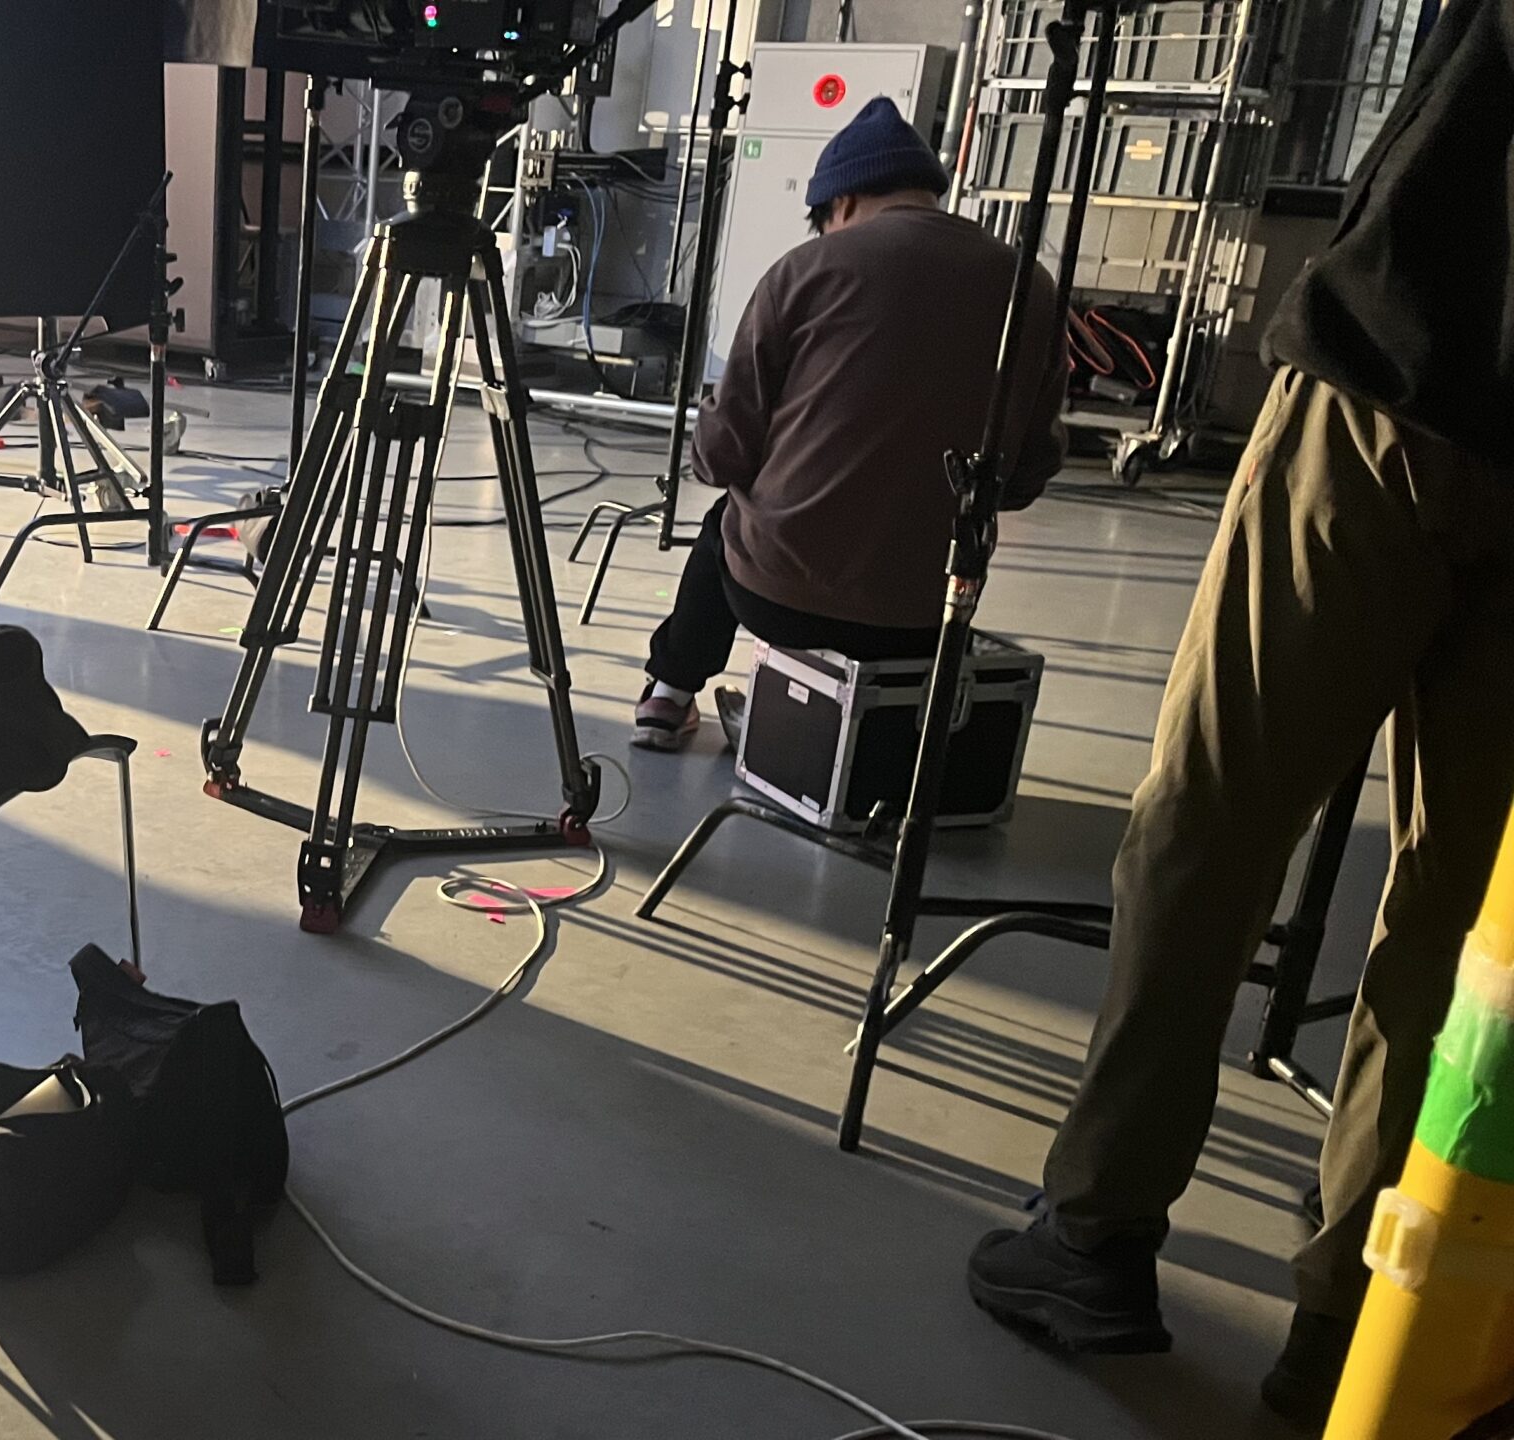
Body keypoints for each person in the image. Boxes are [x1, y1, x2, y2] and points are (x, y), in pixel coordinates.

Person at [963, 0, 1514, 1427]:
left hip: (1398, 371)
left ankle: (1095, 1232)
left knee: (1208, 826)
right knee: (1465, 921)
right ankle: (1364, 1317)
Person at [632, 96, 1067, 752]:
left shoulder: (805, 271)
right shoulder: (1032, 285)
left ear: (841, 203)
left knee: (727, 523)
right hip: (930, 613)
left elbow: (721, 456)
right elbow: (1028, 472)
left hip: (778, 599)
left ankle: (667, 696)